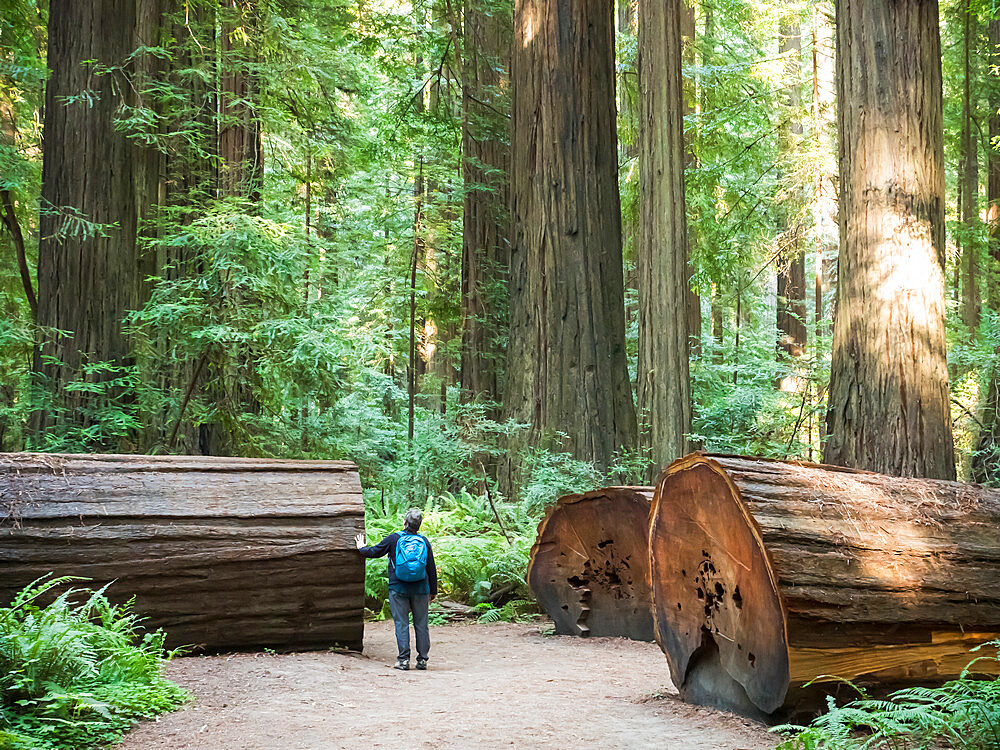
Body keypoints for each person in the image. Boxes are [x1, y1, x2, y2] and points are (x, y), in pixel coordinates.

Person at [355, 508, 437, 671]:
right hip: (421, 589)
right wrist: (433, 591)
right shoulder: (424, 541)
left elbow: (374, 552)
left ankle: (404, 660)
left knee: (402, 624)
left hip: (398, 588)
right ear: (419, 525)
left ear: (404, 523)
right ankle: (422, 660)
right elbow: (431, 568)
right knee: (421, 624)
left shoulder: (394, 539)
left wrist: (361, 548)